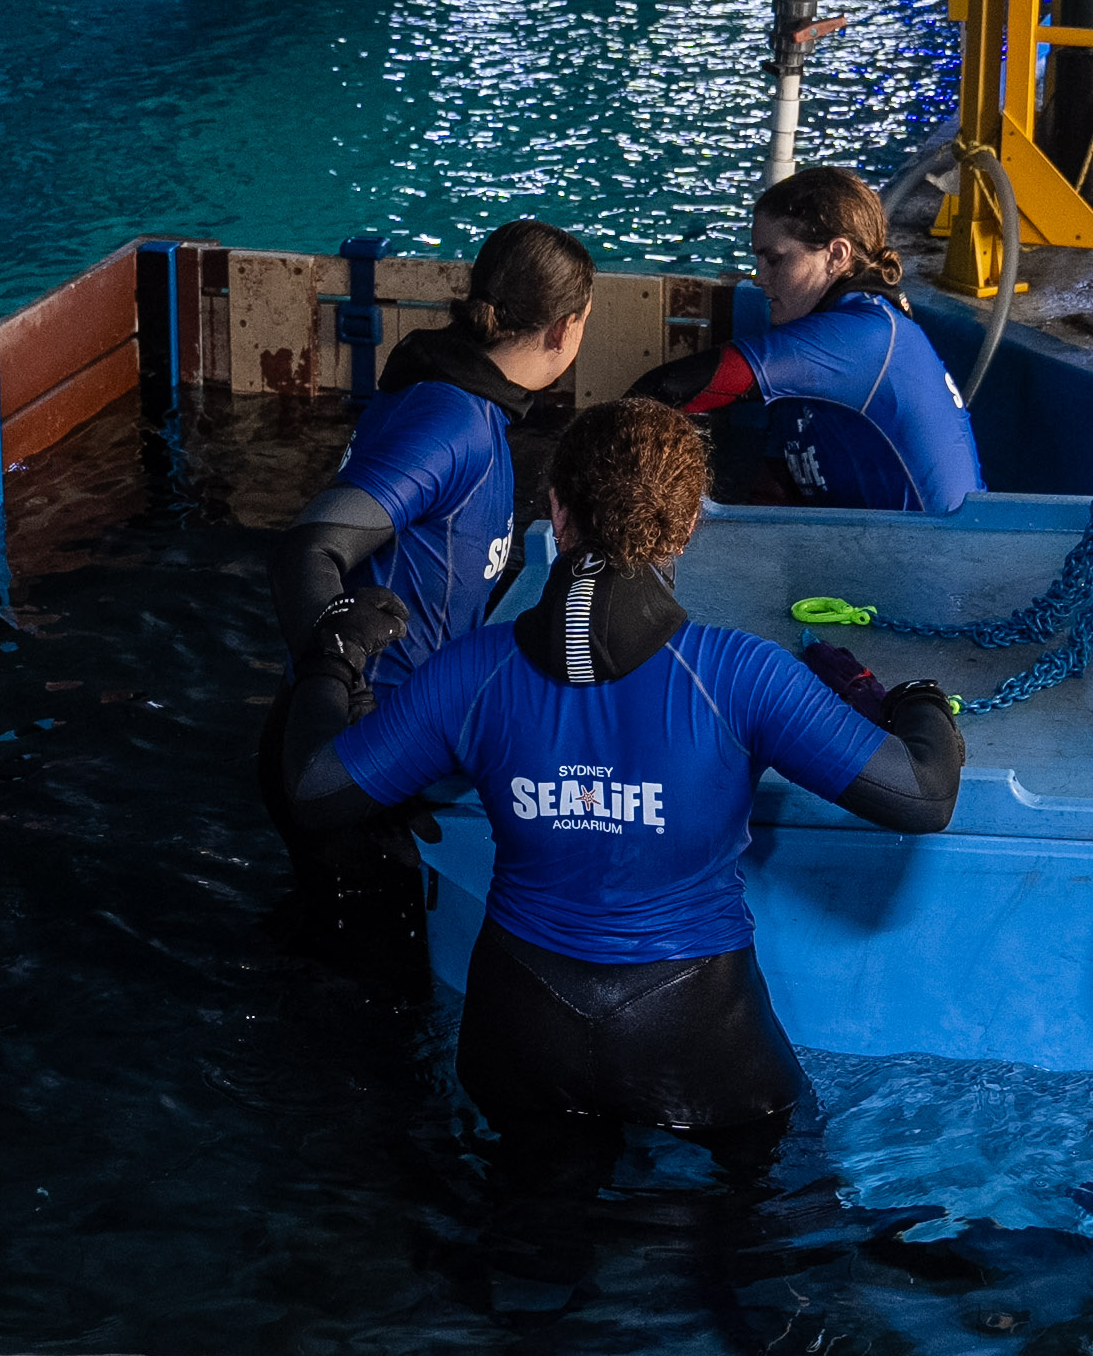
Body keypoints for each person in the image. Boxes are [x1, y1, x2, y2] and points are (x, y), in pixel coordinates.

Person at [276, 397, 966, 1196]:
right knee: (777, 1238)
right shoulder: (739, 675)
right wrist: (917, 699)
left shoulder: (474, 672)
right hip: (696, 1030)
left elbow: (314, 789)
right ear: (685, 530)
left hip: (520, 1024)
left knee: (528, 1261)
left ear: (556, 514)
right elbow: (923, 792)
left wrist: (333, 655)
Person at [261, 220, 596, 938]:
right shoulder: (455, 421)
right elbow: (309, 549)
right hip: (357, 759)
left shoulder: (466, 399)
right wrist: (346, 706)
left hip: (378, 756)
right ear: (567, 329)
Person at [632, 166, 983, 513]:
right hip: (898, 552)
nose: (759, 278)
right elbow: (773, 490)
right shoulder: (820, 338)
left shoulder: (859, 338)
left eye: (774, 259)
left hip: (940, 562)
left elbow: (665, 388)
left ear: (836, 255)